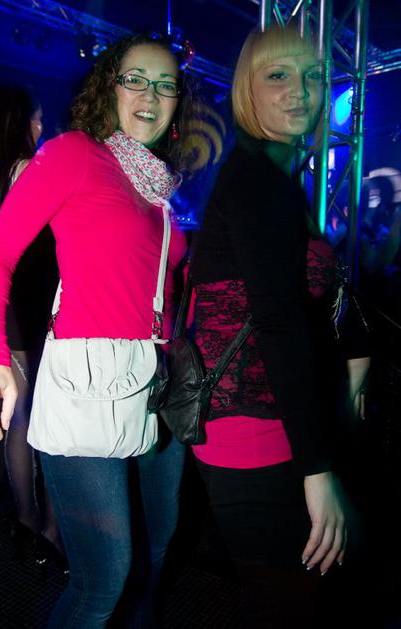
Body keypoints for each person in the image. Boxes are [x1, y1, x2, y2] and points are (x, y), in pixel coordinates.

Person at [0, 33, 195, 628]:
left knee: (156, 550)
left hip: (158, 384)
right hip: (89, 383)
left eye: (165, 85)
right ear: (109, 87)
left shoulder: (158, 184)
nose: (150, 95)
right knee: (104, 576)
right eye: (136, 80)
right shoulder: (74, 153)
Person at [190, 25, 346, 628]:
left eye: (312, 76)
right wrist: (317, 468)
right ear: (245, 91)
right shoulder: (257, 181)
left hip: (266, 421)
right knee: (286, 607)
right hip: (255, 431)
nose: (300, 91)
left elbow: (309, 296)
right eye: (278, 75)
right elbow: (279, 324)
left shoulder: (273, 174)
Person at [0, 86, 60, 549]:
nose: (41, 127)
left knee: (11, 416)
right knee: (31, 416)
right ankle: (36, 522)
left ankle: (19, 517)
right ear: (19, 122)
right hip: (26, 304)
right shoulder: (30, 171)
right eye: (37, 118)